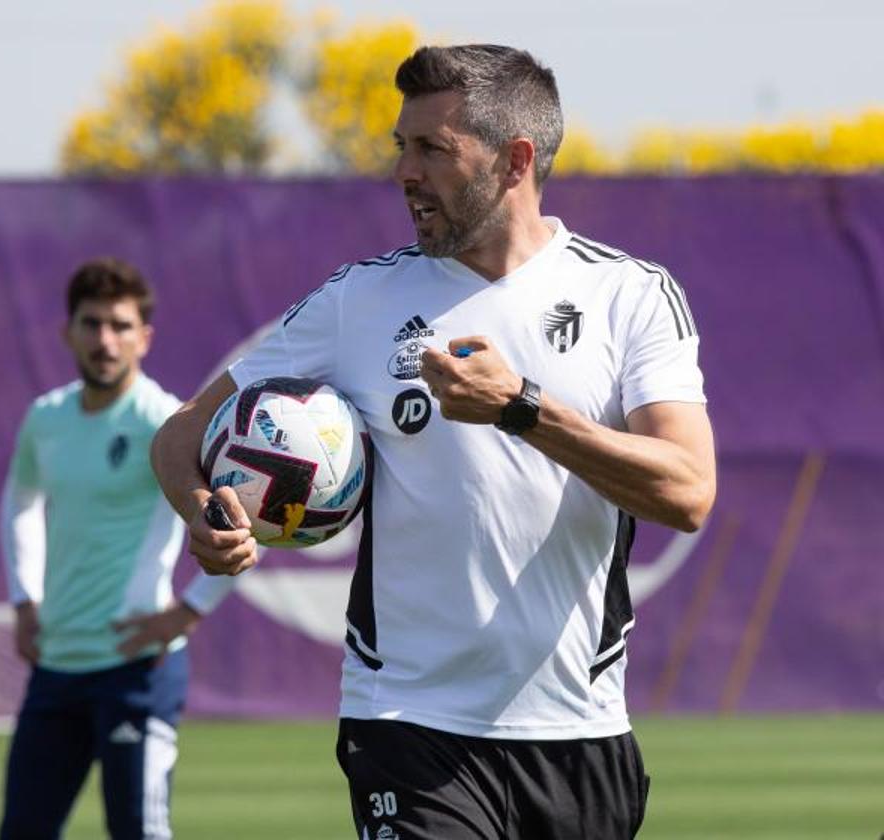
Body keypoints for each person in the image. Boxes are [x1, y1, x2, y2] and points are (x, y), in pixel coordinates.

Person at [150, 44, 716, 839]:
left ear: (515, 160)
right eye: (400, 147)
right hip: (406, 720)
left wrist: (521, 407)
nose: (403, 173)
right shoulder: (360, 300)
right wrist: (201, 511)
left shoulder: (628, 296)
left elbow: (687, 492)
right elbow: (180, 433)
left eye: (432, 150)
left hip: (578, 732)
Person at [0, 258, 234, 840]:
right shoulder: (46, 419)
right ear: (68, 331)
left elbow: (239, 524)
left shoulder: (167, 423)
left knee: (139, 832)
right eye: (93, 323)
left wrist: (187, 611)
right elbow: (19, 503)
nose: (106, 339)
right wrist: (23, 599)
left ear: (144, 338)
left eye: (121, 325)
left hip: (137, 669)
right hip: (56, 666)